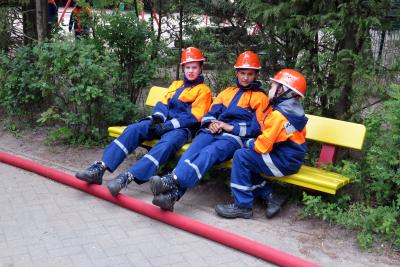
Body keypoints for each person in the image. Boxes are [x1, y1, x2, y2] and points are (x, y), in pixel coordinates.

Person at [75, 47, 212, 197]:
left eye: (194, 67)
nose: (190, 71)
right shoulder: (176, 85)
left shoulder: (203, 90)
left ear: (200, 68)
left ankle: (127, 177)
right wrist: (158, 118)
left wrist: (167, 126)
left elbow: (193, 117)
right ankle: (100, 168)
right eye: (187, 67)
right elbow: (163, 103)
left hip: (181, 130)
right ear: (183, 68)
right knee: (135, 129)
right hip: (163, 122)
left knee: (166, 145)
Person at [149, 51, 269, 211]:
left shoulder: (261, 98)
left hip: (234, 139)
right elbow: (210, 113)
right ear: (237, 72)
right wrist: (211, 123)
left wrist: (230, 127)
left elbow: (258, 127)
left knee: (209, 153)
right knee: (191, 152)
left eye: (249, 74)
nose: (245, 78)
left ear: (256, 75)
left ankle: (172, 181)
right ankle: (172, 196)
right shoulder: (227, 92)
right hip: (212, 131)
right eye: (242, 73)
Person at [215, 69, 308, 219]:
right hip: (291, 158)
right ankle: (271, 195)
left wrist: (248, 143)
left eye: (272, 86)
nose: (270, 90)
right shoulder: (293, 112)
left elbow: (261, 146)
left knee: (241, 156)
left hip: (283, 162)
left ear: (282, 90)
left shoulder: (279, 116)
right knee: (250, 158)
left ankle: (242, 206)